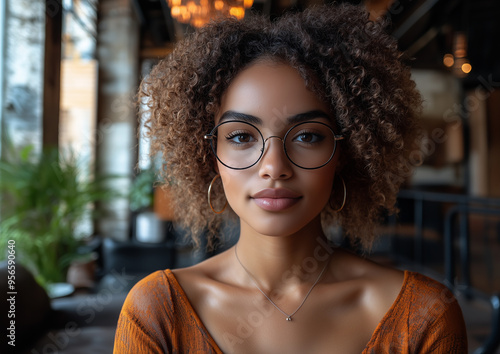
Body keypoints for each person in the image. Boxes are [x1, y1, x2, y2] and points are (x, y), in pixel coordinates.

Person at [114, 3, 467, 353]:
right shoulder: (157, 312)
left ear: (346, 152)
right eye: (241, 136)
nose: (274, 166)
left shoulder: (425, 316)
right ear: (210, 154)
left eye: (307, 136)